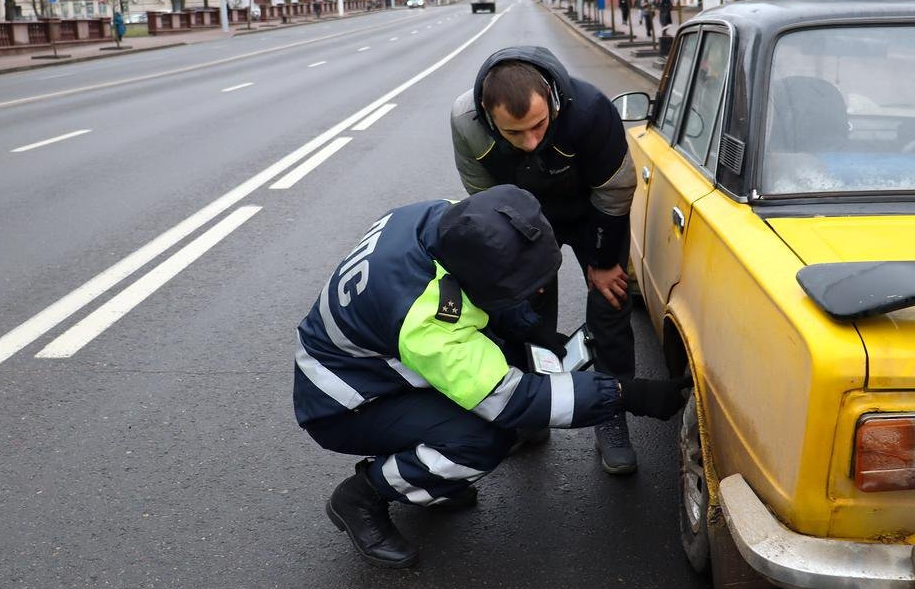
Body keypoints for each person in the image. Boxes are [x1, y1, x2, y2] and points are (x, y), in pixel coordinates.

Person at [294, 186, 689, 568]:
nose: (535, 294)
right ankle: (361, 497)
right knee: (484, 436)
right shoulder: (427, 322)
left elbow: (480, 287)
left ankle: (426, 475)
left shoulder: (448, 220)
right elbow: (513, 401)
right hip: (345, 404)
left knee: (498, 361)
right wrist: (626, 394)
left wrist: (533, 329)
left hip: (375, 363)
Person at [451, 47, 642, 475]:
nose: (531, 141)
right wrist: (520, 261)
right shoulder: (467, 122)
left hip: (593, 212)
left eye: (538, 126)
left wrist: (603, 259)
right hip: (523, 218)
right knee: (524, 311)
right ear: (487, 113)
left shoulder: (591, 110)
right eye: (514, 133)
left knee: (610, 306)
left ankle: (612, 414)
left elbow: (614, 194)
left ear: (551, 101)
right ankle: (532, 413)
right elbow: (486, 201)